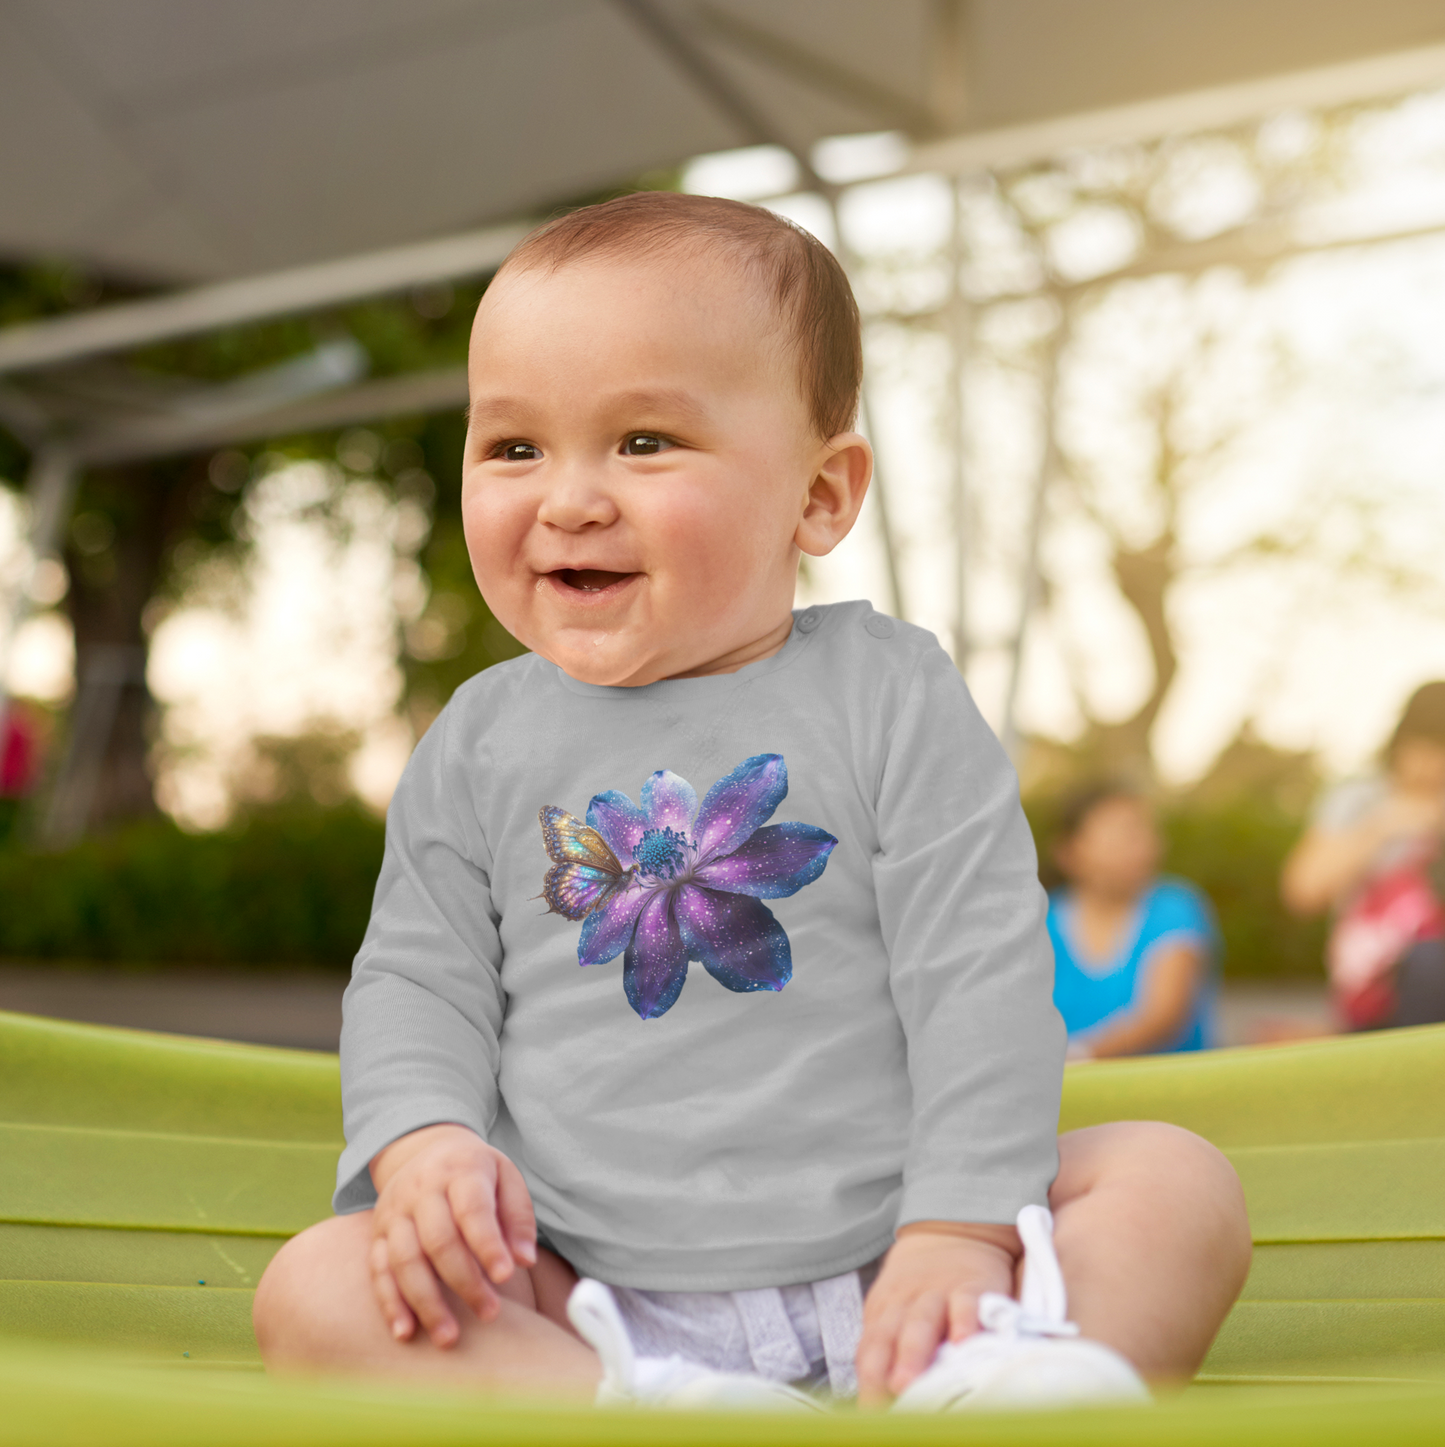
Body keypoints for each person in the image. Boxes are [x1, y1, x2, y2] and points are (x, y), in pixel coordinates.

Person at [252, 193, 1250, 1411]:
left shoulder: (889, 694)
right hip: (586, 1294)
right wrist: (424, 1147)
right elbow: (417, 980)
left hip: (905, 1257)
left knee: (1173, 1184)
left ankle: (1008, 1379)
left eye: (643, 442)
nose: (568, 497)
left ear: (819, 497)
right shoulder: (476, 742)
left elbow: (976, 973)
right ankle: (641, 1410)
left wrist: (960, 1223)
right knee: (316, 1286)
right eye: (514, 448)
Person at [1282, 682, 1445, 1030]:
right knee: (1431, 963)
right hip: (1376, 993)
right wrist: (1384, 825)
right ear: (1402, 742)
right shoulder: (1360, 799)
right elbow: (1303, 891)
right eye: (1429, 748)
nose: (1435, 765)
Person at [1045, 784, 1218, 1058]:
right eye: (1124, 834)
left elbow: (1162, 1017)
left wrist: (1075, 1056)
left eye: (1145, 833)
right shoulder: (1040, 922)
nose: (1145, 847)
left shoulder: (1176, 907)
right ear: (1069, 851)